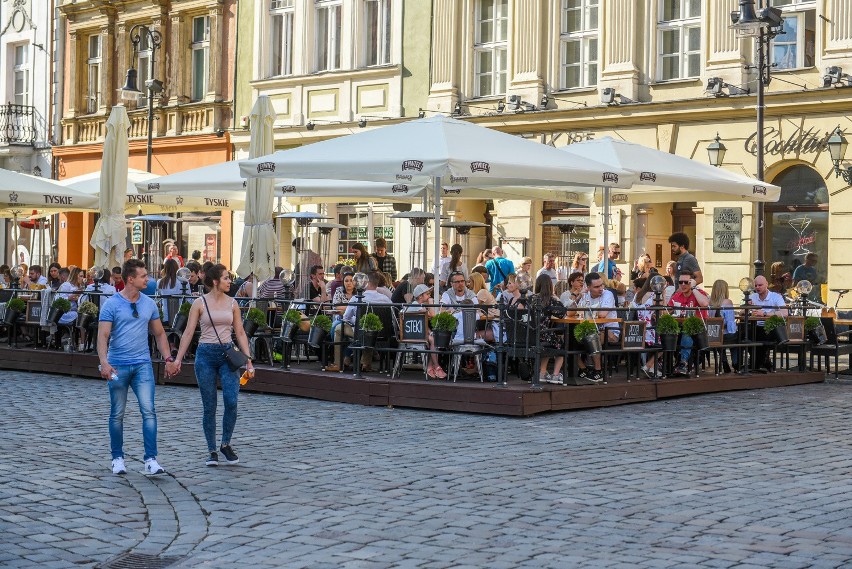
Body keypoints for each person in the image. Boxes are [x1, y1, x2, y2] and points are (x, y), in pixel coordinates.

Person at [170, 264, 254, 467]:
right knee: (210, 405)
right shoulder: (199, 303)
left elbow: (240, 332)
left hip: (227, 354)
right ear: (215, 281)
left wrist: (248, 360)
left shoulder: (233, 303)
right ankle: (211, 450)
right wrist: (178, 358)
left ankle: (226, 443)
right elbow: (189, 332)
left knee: (231, 400)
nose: (229, 281)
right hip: (205, 354)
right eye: (226, 278)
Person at [97, 259, 174, 476]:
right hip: (117, 365)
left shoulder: (149, 303)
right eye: (143, 276)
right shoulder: (111, 304)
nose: (147, 279)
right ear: (130, 279)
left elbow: (159, 334)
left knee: (149, 411)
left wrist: (168, 359)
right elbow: (102, 336)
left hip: (142, 365)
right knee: (117, 413)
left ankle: (151, 459)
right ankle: (117, 458)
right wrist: (104, 362)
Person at [568, 272, 617, 383]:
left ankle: (598, 370)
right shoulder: (585, 295)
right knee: (568, 339)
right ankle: (583, 368)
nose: (601, 288)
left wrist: (585, 310)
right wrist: (579, 295)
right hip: (590, 329)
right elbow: (570, 313)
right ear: (588, 287)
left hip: (610, 331)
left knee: (592, 336)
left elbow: (602, 314)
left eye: (601, 285)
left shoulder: (608, 294)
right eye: (596, 287)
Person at [340, 271, 391, 372]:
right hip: (383, 333)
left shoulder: (356, 299)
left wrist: (357, 321)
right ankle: (365, 363)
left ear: (366, 282)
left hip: (361, 332)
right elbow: (392, 316)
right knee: (369, 331)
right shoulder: (386, 300)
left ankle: (341, 362)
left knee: (343, 330)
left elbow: (346, 317)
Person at [667, 270, 710, 375]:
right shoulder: (677, 296)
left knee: (687, 330)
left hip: (699, 330)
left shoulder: (699, 293)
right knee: (667, 332)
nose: (683, 285)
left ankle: (683, 362)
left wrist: (694, 288)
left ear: (692, 282)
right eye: (680, 282)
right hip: (680, 327)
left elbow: (705, 303)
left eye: (686, 282)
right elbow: (667, 311)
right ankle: (665, 364)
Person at [404, 284, 447, 379]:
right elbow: (432, 315)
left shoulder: (416, 305)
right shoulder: (417, 306)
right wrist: (431, 302)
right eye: (427, 294)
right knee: (434, 340)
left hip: (413, 332)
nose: (429, 296)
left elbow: (422, 323)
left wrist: (429, 331)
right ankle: (436, 366)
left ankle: (430, 366)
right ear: (420, 296)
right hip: (413, 334)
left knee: (433, 337)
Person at [533, 274, 567, 385]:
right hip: (542, 334)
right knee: (560, 343)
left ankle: (542, 373)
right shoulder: (550, 300)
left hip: (529, 335)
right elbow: (562, 313)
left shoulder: (530, 299)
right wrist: (556, 298)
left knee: (550, 341)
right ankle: (556, 375)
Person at [750, 275, 789, 371]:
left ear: (766, 284)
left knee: (760, 336)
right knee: (743, 336)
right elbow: (741, 312)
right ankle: (759, 362)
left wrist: (765, 314)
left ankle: (757, 363)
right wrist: (748, 309)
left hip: (770, 329)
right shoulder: (752, 297)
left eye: (760, 285)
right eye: (756, 285)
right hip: (754, 327)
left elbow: (784, 313)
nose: (758, 287)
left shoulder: (776, 297)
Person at [326, 272, 358, 373]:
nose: (349, 283)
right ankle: (344, 358)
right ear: (343, 282)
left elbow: (344, 308)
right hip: (340, 318)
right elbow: (335, 306)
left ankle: (344, 357)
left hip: (353, 321)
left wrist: (346, 307)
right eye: (346, 281)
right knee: (336, 325)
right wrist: (350, 306)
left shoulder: (359, 293)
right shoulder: (339, 290)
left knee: (339, 330)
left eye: (351, 280)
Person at [709, 279, 738, 373]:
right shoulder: (727, 302)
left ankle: (724, 361)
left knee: (718, 341)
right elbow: (730, 324)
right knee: (738, 339)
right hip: (726, 335)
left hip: (713, 335)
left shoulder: (710, 302)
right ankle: (736, 363)